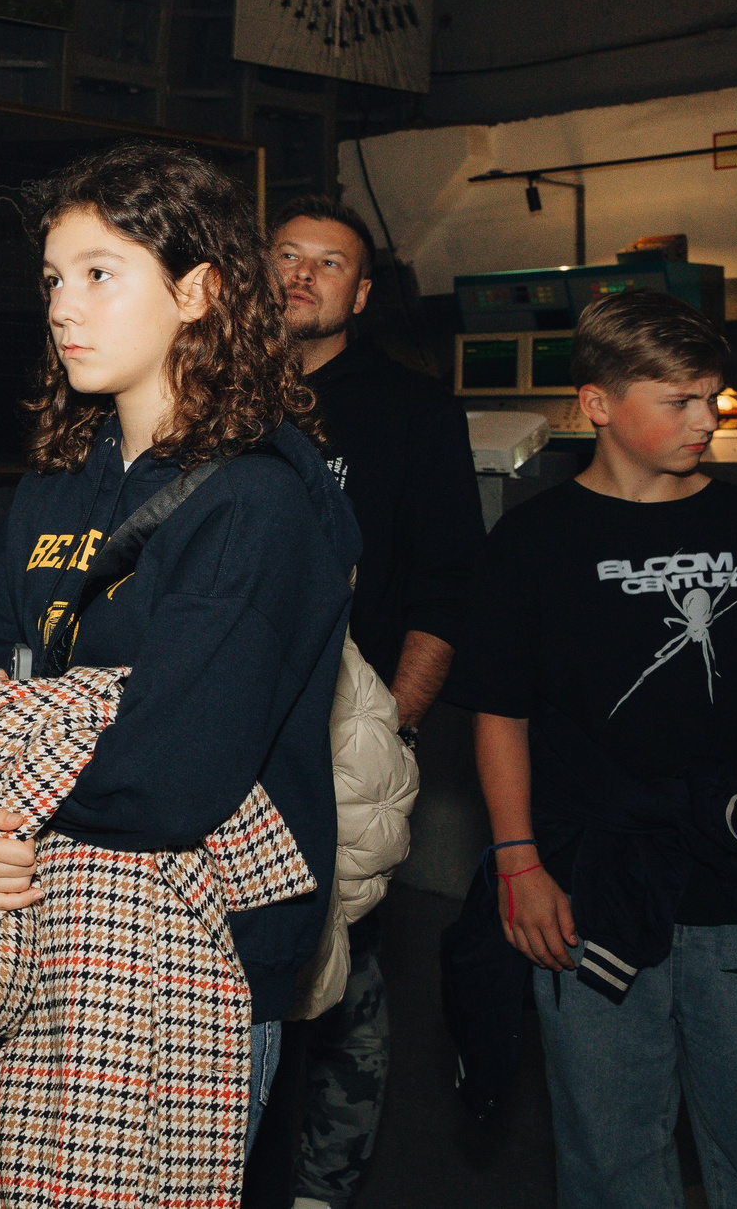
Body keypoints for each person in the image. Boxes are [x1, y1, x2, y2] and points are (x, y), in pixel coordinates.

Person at [0, 142, 356, 1155]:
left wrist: (1, 765)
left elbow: (174, 775)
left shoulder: (258, 497)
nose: (63, 306)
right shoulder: (58, 486)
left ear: (197, 290)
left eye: (101, 274)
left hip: (196, 956)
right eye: (56, 279)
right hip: (45, 925)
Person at [446, 288, 737, 1209]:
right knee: (609, 1151)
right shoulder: (531, 543)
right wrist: (518, 861)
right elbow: (500, 714)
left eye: (712, 397)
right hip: (588, 890)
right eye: (679, 400)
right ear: (598, 402)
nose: (706, 420)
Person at [270, 195, 484, 1209]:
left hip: (343, 751)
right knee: (221, 974)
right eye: (285, 255)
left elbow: (449, 585)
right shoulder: (205, 397)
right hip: (220, 745)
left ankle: (321, 1187)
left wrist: (391, 723)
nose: (301, 275)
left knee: (344, 979)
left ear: (359, 291)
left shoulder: (411, 411)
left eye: (329, 263)